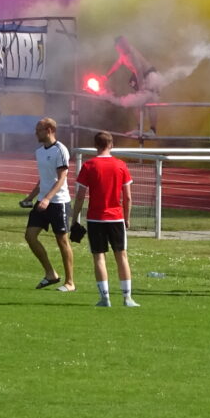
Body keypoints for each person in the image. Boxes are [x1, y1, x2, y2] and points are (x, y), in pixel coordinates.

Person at [72, 130, 137, 306]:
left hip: (95, 218)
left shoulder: (89, 165)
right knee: (121, 256)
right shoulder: (121, 165)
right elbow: (128, 197)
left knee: (99, 257)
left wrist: (74, 218)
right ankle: (127, 297)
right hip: (116, 217)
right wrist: (127, 218)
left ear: (95, 145)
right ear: (111, 145)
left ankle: (105, 297)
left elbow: (80, 196)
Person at [23, 117, 75, 291]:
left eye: (38, 129)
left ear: (49, 130)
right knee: (30, 236)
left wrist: (47, 199)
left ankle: (70, 282)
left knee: (62, 241)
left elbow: (61, 179)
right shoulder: (39, 152)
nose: (35, 133)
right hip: (42, 202)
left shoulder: (60, 150)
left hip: (58, 202)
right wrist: (31, 197)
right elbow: (43, 179)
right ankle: (51, 273)